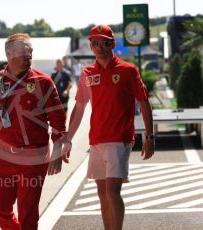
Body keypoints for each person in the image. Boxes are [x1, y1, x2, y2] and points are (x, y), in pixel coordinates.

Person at [61, 25, 155, 230]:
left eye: (104, 42)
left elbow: (144, 102)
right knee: (102, 193)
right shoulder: (87, 73)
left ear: (112, 44)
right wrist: (67, 139)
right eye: (95, 43)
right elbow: (79, 107)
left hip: (119, 139)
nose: (99, 46)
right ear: (91, 46)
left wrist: (150, 137)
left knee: (112, 191)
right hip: (96, 140)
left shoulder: (128, 70)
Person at [0, 33, 67, 230]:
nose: (28, 55)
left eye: (30, 51)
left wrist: (58, 148)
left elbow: (57, 118)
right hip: (4, 157)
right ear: (9, 54)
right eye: (23, 51)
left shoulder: (43, 81)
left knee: (28, 215)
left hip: (34, 156)